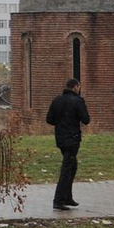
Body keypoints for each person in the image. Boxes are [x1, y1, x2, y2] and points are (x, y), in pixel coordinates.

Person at [46, 78, 90, 210]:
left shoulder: (57, 100)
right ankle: (58, 200)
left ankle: (67, 197)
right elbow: (86, 119)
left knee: (72, 166)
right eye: (79, 87)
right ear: (76, 87)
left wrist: (61, 123)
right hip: (72, 139)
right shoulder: (77, 101)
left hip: (60, 139)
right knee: (67, 169)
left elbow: (49, 119)